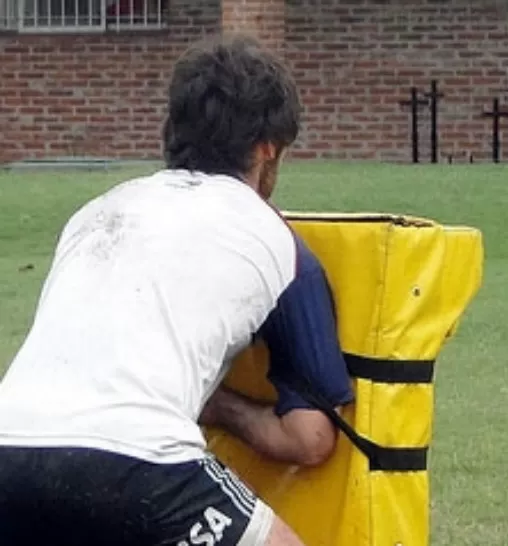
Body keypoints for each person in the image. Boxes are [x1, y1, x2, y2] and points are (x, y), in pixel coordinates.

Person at [0, 35, 354, 546]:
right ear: (266, 149)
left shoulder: (95, 212)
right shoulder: (277, 240)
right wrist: (219, 406)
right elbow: (310, 438)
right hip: (139, 461)